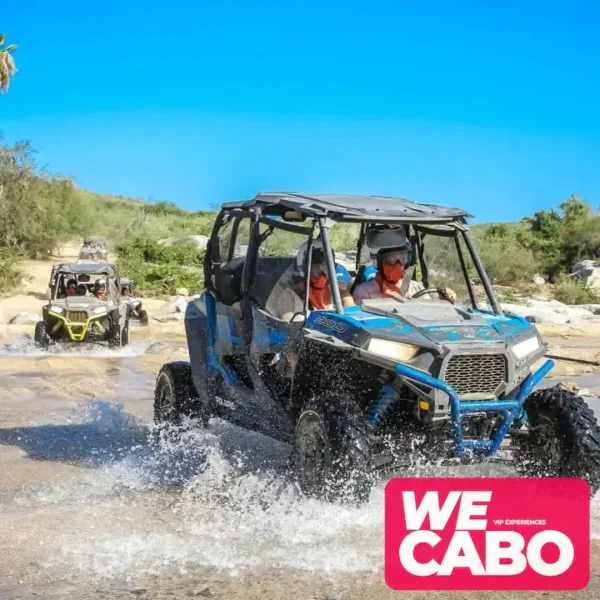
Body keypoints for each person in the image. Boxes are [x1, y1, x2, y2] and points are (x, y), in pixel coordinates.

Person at [353, 225, 457, 303]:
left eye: (403, 258)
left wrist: (444, 298)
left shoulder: (416, 287)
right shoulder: (364, 290)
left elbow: (430, 315)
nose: (398, 264)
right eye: (392, 259)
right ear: (380, 262)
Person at [274, 240, 355, 320]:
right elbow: (281, 297)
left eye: (323, 264)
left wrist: (351, 315)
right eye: (314, 265)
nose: (319, 268)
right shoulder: (292, 275)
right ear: (304, 264)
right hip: (304, 316)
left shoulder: (338, 272)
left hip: (333, 316)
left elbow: (344, 295)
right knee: (287, 295)